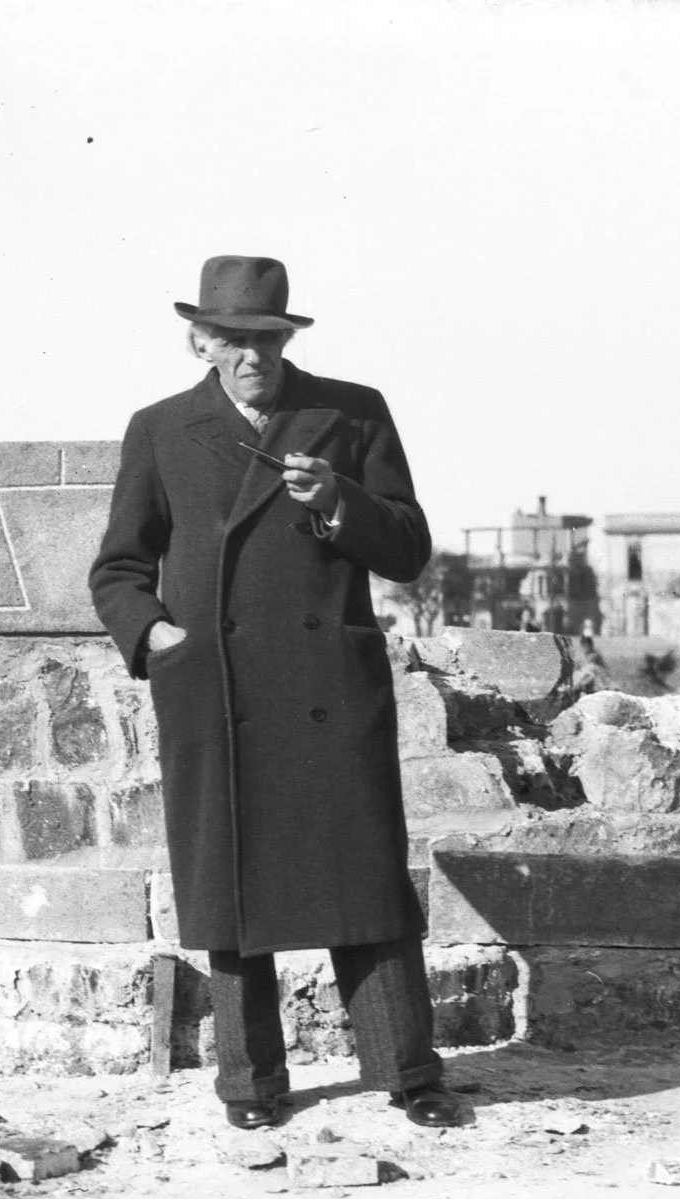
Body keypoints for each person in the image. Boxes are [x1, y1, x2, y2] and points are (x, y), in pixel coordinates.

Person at [88, 255, 463, 1131]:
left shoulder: (351, 411)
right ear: (201, 342)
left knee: (364, 879)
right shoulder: (161, 429)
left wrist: (340, 501)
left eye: (268, 338)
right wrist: (156, 638)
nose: (253, 355)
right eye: (233, 339)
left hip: (328, 681)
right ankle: (251, 1087)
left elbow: (408, 547)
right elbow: (119, 566)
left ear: (288, 338)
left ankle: (409, 1074)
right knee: (231, 886)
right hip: (217, 687)